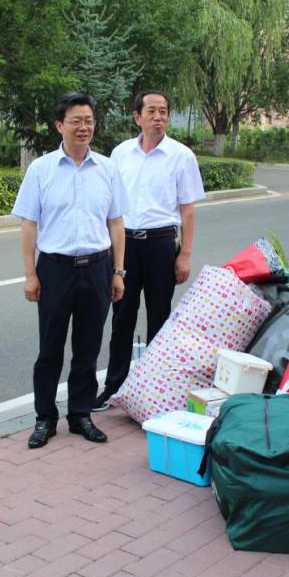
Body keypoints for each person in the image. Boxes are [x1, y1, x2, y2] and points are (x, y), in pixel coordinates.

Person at [12, 92, 127, 449]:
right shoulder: (41, 169)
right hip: (55, 269)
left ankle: (80, 415)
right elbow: (28, 225)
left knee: (88, 349)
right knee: (50, 349)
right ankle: (45, 418)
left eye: (89, 121)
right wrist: (30, 274)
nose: (84, 127)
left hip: (97, 268)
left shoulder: (107, 168)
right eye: (76, 121)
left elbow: (116, 222)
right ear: (59, 125)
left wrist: (118, 271)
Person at [94, 90, 204, 411]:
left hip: (161, 245)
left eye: (163, 111)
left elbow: (188, 210)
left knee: (160, 317)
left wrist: (184, 254)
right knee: (121, 317)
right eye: (152, 111)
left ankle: (155, 389)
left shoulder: (181, 156)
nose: (158, 117)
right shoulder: (120, 154)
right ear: (137, 117)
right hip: (125, 245)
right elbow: (110, 205)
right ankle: (114, 386)